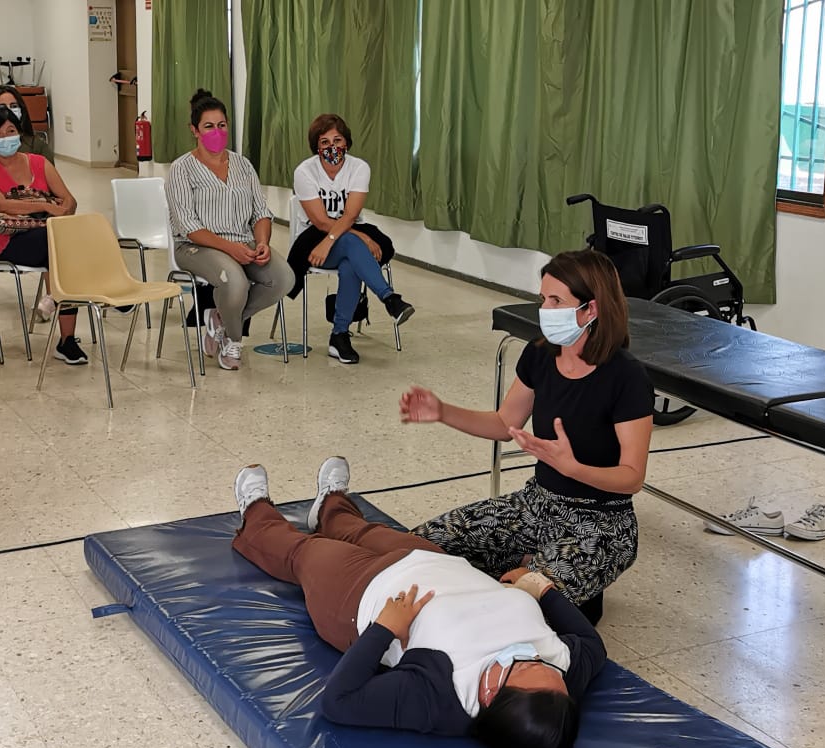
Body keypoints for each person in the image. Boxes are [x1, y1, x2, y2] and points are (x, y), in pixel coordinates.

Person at [230, 456, 607, 748]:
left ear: (491, 696)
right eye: (545, 668)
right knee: (359, 529)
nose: (534, 658)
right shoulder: (560, 677)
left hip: (360, 596)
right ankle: (330, 507)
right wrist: (542, 591)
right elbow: (592, 646)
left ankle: (256, 516)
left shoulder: (440, 699)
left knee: (302, 551)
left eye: (524, 667)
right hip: (434, 563)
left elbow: (339, 702)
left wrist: (384, 628)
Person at [401, 250, 654, 615]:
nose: (545, 309)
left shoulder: (626, 377)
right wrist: (442, 411)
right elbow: (505, 423)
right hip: (536, 505)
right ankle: (532, 566)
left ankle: (543, 575)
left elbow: (632, 478)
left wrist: (573, 468)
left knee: (517, 601)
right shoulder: (540, 355)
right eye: (543, 299)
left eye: (557, 301)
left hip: (601, 523)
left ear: (591, 310)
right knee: (419, 546)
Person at [165, 88, 291, 371]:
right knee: (236, 282)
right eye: (209, 126)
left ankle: (220, 320)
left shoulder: (243, 165)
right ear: (195, 130)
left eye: (222, 125)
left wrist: (262, 242)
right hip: (196, 247)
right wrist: (230, 248)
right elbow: (189, 225)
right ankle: (233, 342)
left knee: (283, 279)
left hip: (243, 243)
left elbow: (261, 212)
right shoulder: (181, 169)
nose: (216, 131)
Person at [288, 113, 414, 365]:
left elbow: (351, 214)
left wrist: (348, 235)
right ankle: (390, 299)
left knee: (350, 264)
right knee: (352, 244)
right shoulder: (305, 171)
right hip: (313, 239)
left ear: (346, 142)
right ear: (316, 147)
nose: (332, 147)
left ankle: (340, 335)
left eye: (337, 140)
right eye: (324, 142)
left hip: (345, 231)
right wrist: (354, 238)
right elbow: (321, 221)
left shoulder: (358, 167)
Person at [0, 105, 83, 364]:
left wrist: (63, 210)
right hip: (6, 241)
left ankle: (66, 340)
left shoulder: (40, 163)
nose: (6, 138)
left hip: (45, 235)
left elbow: (69, 200)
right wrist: (43, 205)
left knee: (69, 246)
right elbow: (1, 205)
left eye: (10, 131)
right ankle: (68, 311)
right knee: (61, 246)